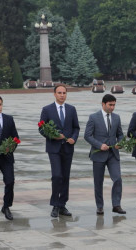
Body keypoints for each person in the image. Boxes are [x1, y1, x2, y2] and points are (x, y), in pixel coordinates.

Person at [39, 85, 80, 218]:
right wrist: (54, 136)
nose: (62, 95)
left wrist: (74, 138)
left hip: (68, 148)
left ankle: (62, 204)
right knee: (57, 176)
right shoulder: (47, 110)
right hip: (54, 148)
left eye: (64, 93)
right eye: (59, 93)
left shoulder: (71, 109)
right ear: (54, 94)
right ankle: (55, 204)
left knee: (65, 176)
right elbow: (42, 128)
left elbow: (76, 127)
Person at [84, 94, 126, 215]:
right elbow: (87, 136)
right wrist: (99, 145)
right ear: (103, 104)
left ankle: (116, 205)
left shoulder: (117, 118)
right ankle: (100, 206)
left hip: (113, 153)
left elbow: (121, 134)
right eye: (110, 105)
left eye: (114, 105)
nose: (112, 107)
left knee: (117, 178)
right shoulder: (93, 117)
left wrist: (120, 143)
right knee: (98, 182)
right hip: (98, 154)